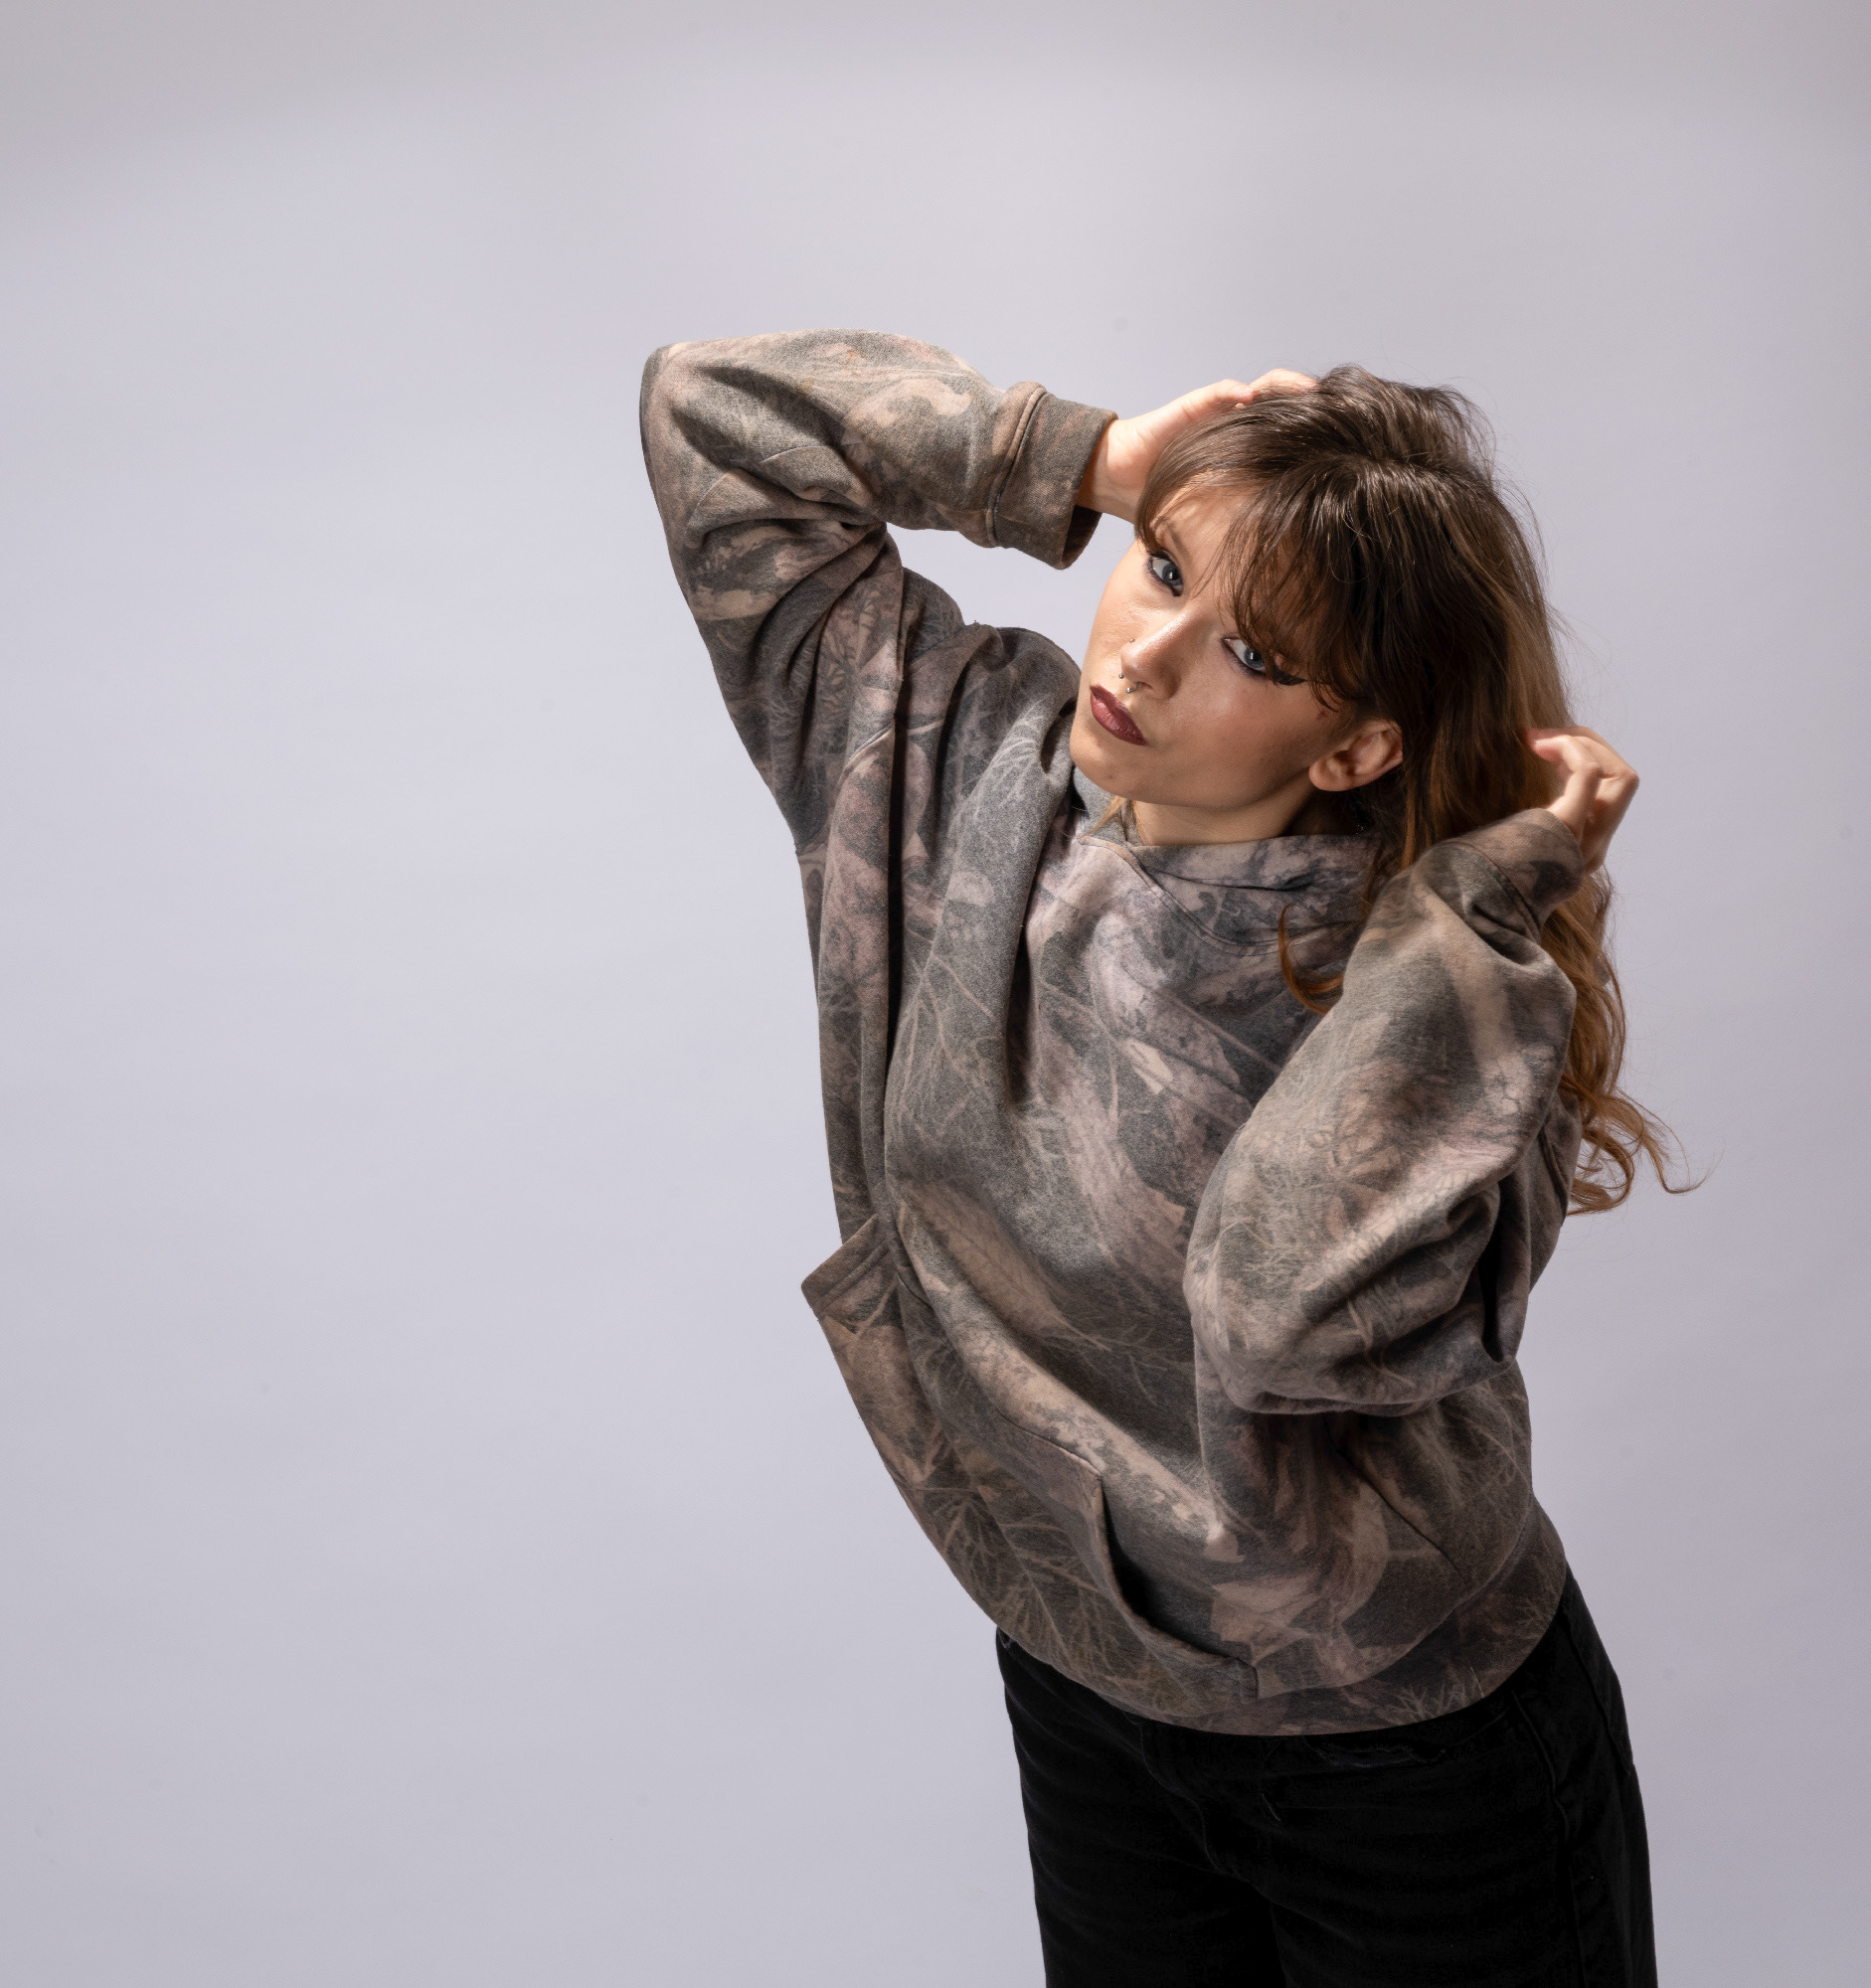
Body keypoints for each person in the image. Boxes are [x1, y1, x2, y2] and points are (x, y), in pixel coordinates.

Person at [640, 329, 1668, 1986]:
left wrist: (1476, 916)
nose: (1147, 651)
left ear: (1355, 747)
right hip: (1082, 1682)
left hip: (1403, 1752)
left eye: (1254, 652)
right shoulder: (949, 764)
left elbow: (1279, 1321)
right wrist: (1087, 459)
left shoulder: (1424, 982)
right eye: (1164, 568)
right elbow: (715, 415)